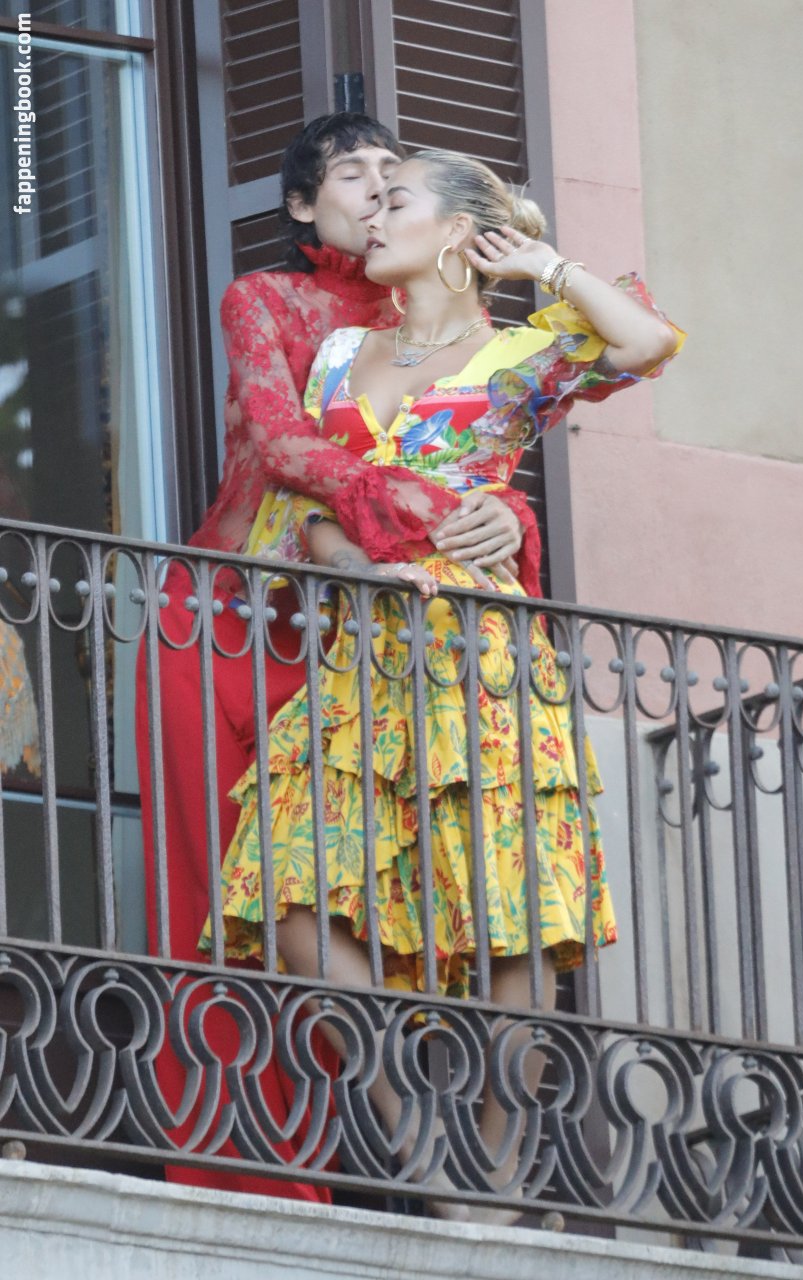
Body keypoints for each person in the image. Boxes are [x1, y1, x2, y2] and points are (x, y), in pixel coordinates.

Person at [198, 149, 683, 1218]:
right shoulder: (340, 354)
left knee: (512, 906)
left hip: (480, 651)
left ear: (460, 232)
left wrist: (546, 267)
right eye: (368, 200)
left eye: (397, 199)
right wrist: (356, 563)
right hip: (364, 648)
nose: (373, 217)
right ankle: (414, 1123)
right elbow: (304, 509)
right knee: (284, 885)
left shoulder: (522, 349)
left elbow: (647, 342)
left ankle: (494, 1176)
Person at [134, 115, 539, 1202]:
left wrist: (502, 515)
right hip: (237, 619)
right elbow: (282, 444)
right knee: (241, 887)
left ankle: (452, 1149)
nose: (374, 189)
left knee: (443, 885)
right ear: (304, 207)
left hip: (382, 631)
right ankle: (260, 1172)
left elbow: (489, 451)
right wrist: (412, 510)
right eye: (349, 174)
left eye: (391, 176)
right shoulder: (268, 301)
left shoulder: (443, 322)